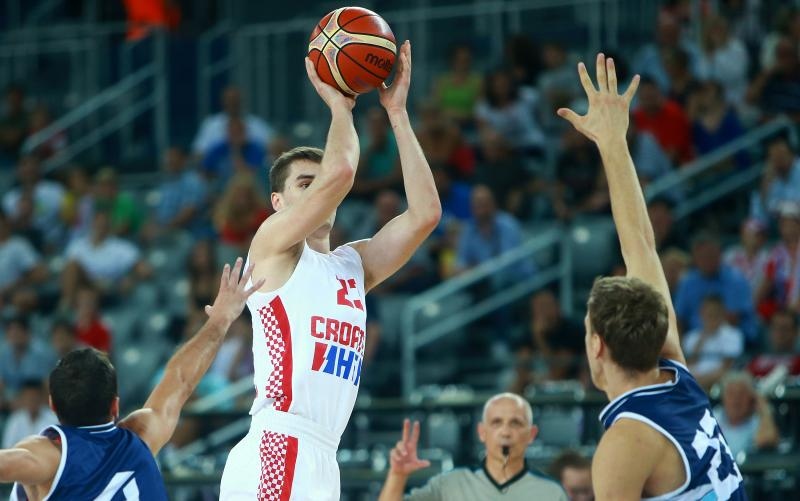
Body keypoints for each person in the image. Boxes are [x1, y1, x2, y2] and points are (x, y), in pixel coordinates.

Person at [219, 41, 441, 500]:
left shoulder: (351, 264)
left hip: (323, 455)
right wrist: (341, 108)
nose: (323, 190)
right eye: (306, 183)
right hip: (280, 443)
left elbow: (425, 214)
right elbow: (340, 171)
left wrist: (397, 114)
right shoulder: (273, 245)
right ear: (278, 204)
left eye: (320, 184)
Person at [557, 53, 745, 499]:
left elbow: (640, 243)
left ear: (596, 345)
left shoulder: (626, 441)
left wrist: (612, 142)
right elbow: (640, 242)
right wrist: (613, 143)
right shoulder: (674, 372)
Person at [0, 258, 264, 499]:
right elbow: (181, 378)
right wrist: (220, 320)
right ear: (115, 405)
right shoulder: (143, 434)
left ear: (53, 406)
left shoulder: (47, 457)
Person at [377, 393, 567, 500]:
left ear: (531, 434)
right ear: (481, 432)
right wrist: (398, 475)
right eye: (496, 422)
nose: (505, 432)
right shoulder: (449, 485)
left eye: (516, 423)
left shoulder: (551, 493)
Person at [682, 295, 745, 390]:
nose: (711, 317)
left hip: (717, 383)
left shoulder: (733, 335)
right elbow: (687, 364)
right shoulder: (691, 337)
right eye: (708, 313)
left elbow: (727, 368)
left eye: (715, 313)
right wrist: (703, 338)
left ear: (723, 313)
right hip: (692, 381)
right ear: (701, 313)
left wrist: (697, 383)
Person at [714, 371, 780, 459]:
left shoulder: (757, 421)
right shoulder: (713, 417)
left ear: (751, 398)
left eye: (741, 394)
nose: (736, 400)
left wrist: (764, 409)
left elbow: (766, 441)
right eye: (731, 393)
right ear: (723, 397)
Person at [1, 380, 57, 449]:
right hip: (20, 458)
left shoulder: (53, 418)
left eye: (34, 397)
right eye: (28, 397)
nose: (31, 400)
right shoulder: (16, 419)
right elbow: (7, 447)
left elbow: (57, 447)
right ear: (23, 398)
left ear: (42, 397)